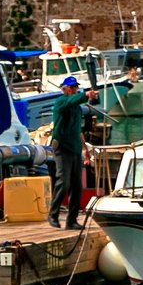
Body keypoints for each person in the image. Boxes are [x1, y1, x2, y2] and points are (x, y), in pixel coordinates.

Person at [47, 83, 93, 229]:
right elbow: (72, 100)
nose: (74, 90)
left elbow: (78, 129)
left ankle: (71, 220)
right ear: (65, 88)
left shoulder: (77, 108)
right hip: (62, 147)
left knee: (77, 186)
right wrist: (85, 95)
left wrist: (85, 148)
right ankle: (52, 214)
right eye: (72, 87)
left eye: (76, 87)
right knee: (63, 181)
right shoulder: (61, 101)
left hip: (75, 149)